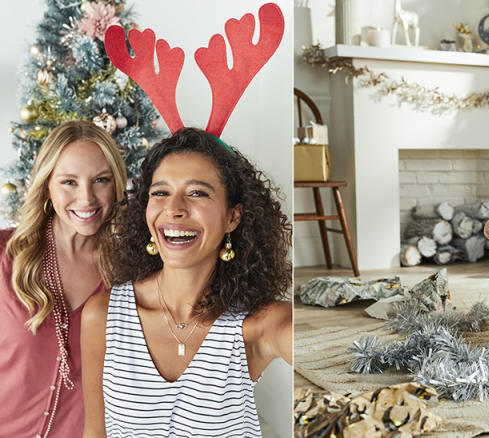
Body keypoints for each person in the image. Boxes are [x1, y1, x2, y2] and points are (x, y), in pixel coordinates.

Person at [82, 128, 292, 437]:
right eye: (161, 192)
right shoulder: (103, 315)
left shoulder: (258, 326)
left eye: (197, 192)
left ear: (232, 218)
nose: (174, 209)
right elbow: (95, 433)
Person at [0, 121, 127, 437]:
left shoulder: (131, 275)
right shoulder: (3, 255)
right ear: (47, 186)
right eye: (69, 182)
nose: (86, 199)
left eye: (100, 180)